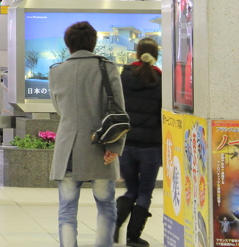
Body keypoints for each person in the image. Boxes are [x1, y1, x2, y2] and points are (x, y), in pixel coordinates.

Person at [49, 21, 126, 247]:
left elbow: (58, 108)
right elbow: (118, 110)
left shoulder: (56, 71)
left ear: (68, 44)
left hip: (68, 148)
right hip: (101, 147)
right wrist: (115, 147)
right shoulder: (107, 67)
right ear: (93, 42)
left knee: (67, 210)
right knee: (105, 205)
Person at [114, 38, 162, 247]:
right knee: (144, 192)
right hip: (151, 147)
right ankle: (133, 237)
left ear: (136, 53)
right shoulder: (161, 80)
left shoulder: (124, 77)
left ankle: (113, 229)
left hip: (127, 143)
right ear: (156, 55)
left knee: (131, 190)